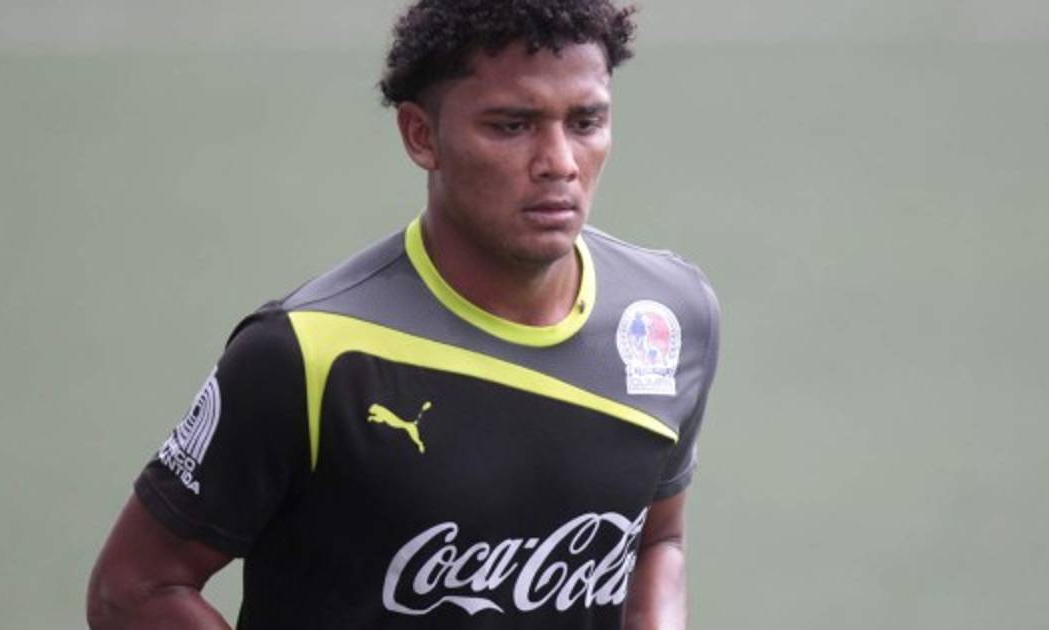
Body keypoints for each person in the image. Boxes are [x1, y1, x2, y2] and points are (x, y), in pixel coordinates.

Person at [87, 1, 719, 628]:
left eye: (585, 122)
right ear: (421, 135)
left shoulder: (668, 319)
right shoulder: (308, 353)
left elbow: (657, 538)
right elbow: (133, 588)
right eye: (511, 126)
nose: (559, 161)